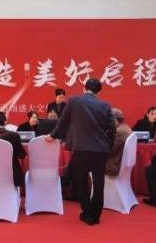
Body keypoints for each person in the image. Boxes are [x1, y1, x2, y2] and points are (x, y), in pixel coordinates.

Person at [46, 79, 116, 226]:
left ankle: (87, 212)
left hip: (81, 148)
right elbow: (112, 129)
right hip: (100, 150)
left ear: (84, 89)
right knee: (99, 183)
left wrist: (52, 135)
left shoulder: (74, 101)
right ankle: (96, 215)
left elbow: (63, 121)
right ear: (99, 92)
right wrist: (107, 146)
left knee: (80, 180)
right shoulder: (105, 105)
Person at [105, 109, 133, 176]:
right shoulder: (127, 128)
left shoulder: (119, 132)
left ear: (115, 120)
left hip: (113, 165)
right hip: (120, 163)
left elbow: (110, 150)